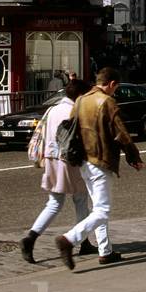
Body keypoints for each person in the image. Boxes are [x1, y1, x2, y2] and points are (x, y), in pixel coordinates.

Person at [55, 67, 144, 270]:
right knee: (102, 211)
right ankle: (68, 239)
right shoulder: (107, 102)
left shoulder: (80, 100)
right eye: (116, 88)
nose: (115, 92)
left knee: (97, 207)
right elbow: (121, 133)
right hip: (101, 160)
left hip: (83, 160)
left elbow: (71, 127)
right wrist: (134, 157)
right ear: (111, 84)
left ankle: (105, 251)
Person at [20, 78, 92, 263]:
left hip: (51, 157)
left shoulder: (53, 109)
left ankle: (31, 237)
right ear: (80, 95)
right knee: (81, 199)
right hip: (69, 159)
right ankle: (83, 242)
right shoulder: (74, 110)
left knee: (54, 203)